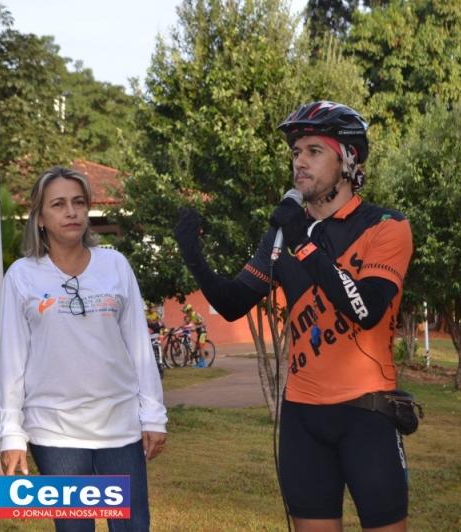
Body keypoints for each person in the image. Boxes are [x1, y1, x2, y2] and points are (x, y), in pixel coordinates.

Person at [174, 101, 413, 531]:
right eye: (296, 151)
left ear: (349, 160)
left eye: (313, 151)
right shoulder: (283, 233)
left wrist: (302, 242)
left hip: (367, 413)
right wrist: (195, 256)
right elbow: (233, 302)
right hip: (302, 416)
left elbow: (367, 309)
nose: (299, 161)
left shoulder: (385, 226)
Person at [0, 166, 168, 532]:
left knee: (133, 527)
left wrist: (153, 416)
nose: (71, 212)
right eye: (58, 204)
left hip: (120, 427)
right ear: (40, 218)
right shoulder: (21, 276)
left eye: (78, 202)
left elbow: (139, 346)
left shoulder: (115, 265)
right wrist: (11, 433)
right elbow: (12, 361)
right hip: (54, 430)